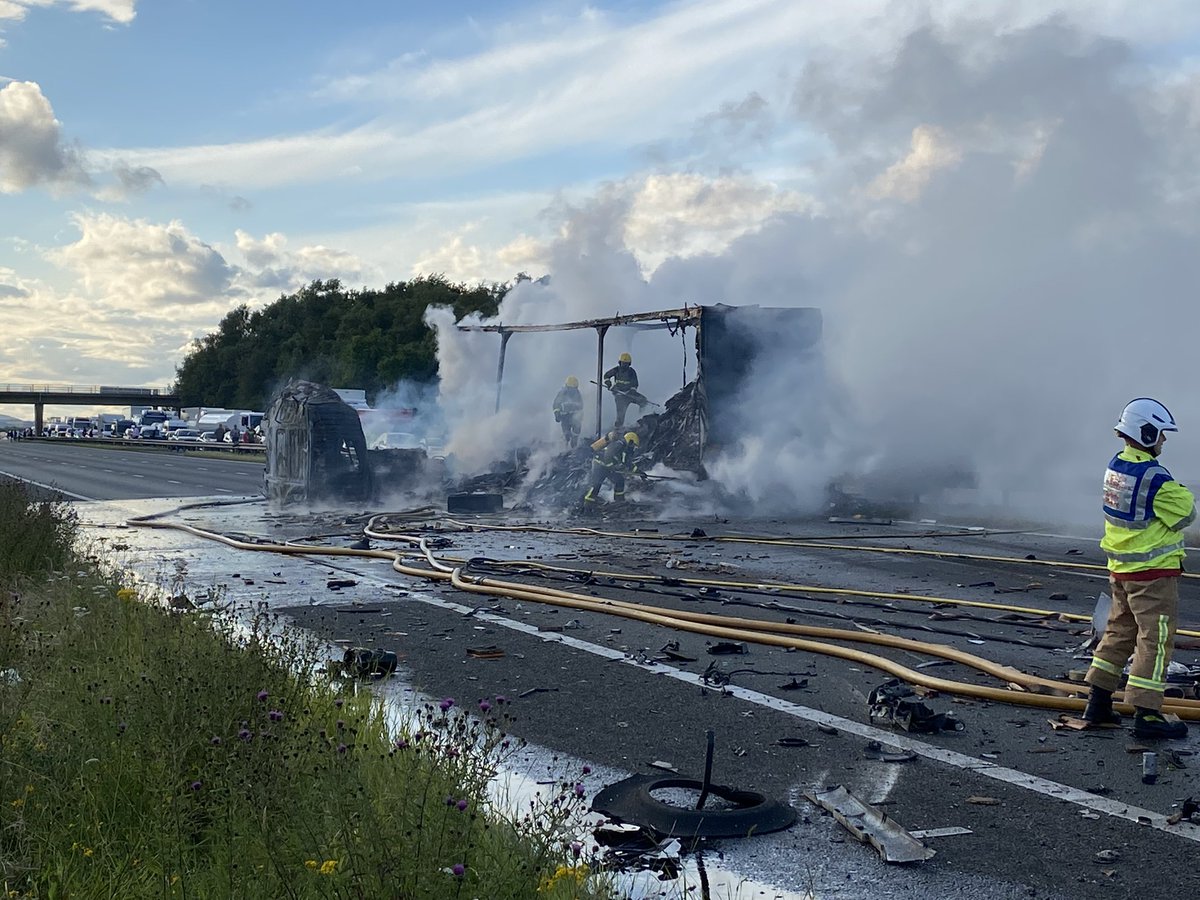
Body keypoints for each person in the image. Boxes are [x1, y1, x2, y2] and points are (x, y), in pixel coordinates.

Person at [1084, 398, 1196, 739]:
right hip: (1153, 575)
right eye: (1161, 434)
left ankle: (1098, 702)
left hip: (1121, 570)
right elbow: (1187, 512)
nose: (1164, 440)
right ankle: (1147, 714)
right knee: (1155, 640)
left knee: (1118, 632)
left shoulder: (1116, 465)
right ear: (1146, 433)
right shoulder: (1154, 477)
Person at [583, 431, 640, 505]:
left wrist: (639, 472)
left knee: (619, 480)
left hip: (607, 467)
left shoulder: (623, 448)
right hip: (599, 465)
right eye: (633, 445)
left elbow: (627, 462)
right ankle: (588, 503)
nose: (633, 448)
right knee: (597, 484)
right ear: (630, 441)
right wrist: (612, 466)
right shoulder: (619, 444)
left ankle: (619, 500)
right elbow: (608, 455)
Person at [602, 352, 644, 429]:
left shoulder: (631, 372)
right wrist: (608, 383)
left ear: (629, 364)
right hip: (619, 396)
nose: (624, 365)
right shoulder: (616, 370)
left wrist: (633, 391)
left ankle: (642, 419)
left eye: (626, 364)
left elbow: (635, 383)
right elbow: (606, 375)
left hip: (629, 394)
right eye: (623, 363)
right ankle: (617, 430)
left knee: (643, 401)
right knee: (620, 416)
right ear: (619, 363)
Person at [553, 376, 584, 447]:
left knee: (576, 433)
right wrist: (557, 414)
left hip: (575, 417)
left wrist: (579, 416)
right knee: (566, 435)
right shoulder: (562, 393)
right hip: (565, 417)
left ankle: (574, 447)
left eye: (574, 389)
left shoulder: (577, 394)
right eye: (571, 389)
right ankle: (564, 448)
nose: (572, 391)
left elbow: (581, 405)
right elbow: (556, 404)